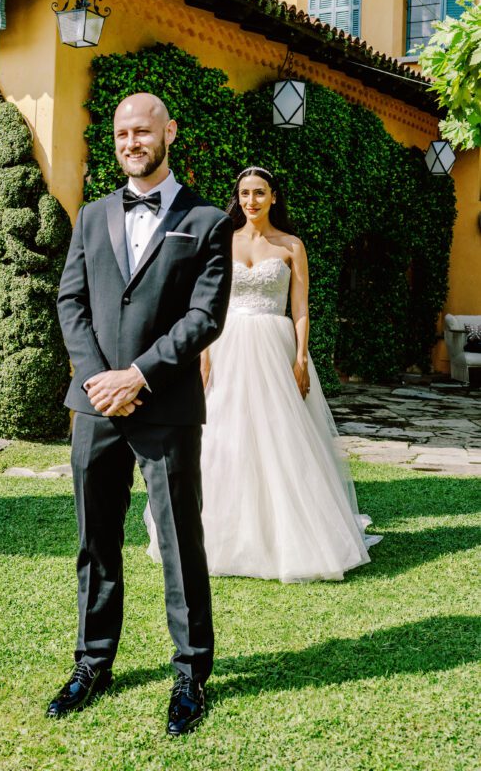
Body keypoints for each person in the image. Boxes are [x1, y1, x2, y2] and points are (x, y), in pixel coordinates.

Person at [51, 92, 233, 735]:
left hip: (166, 405)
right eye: (123, 133)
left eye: (144, 131)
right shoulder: (93, 214)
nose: (132, 142)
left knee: (182, 541)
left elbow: (204, 317)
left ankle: (190, 673)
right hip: (95, 404)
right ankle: (92, 663)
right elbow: (70, 302)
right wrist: (102, 379)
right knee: (95, 539)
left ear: (169, 132)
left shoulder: (210, 220)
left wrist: (139, 375)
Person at [146, 165, 381, 582]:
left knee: (282, 436)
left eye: (259, 193)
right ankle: (215, 535)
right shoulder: (222, 239)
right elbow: (205, 304)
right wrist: (203, 355)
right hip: (227, 344)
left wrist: (302, 358)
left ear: (274, 196)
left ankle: (291, 536)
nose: (251, 201)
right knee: (222, 434)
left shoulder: (291, 245)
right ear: (238, 198)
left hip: (275, 346)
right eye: (245, 193)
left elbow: (301, 307)